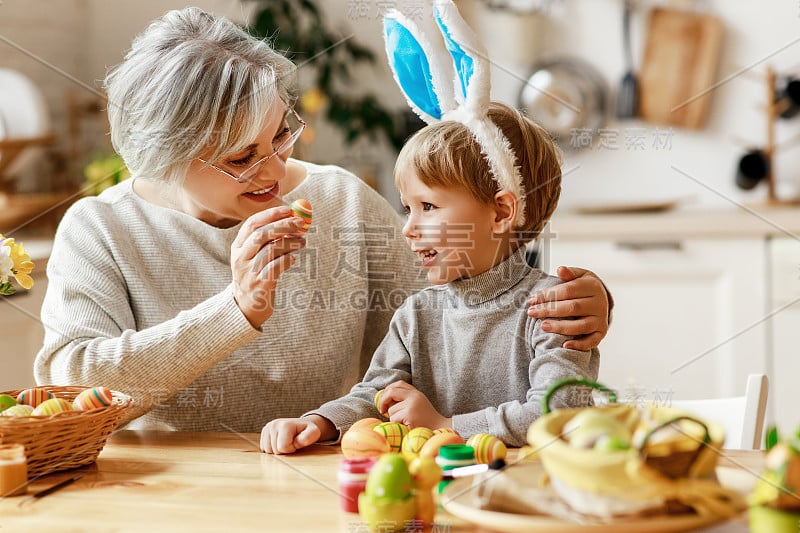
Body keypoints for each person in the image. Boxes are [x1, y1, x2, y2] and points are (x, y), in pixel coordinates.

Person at [34, 7, 610, 433]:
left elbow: (456, 316)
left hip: (315, 478)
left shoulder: (340, 201)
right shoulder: (100, 229)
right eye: (241, 157)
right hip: (165, 496)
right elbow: (71, 380)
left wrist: (584, 303)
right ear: (167, 157)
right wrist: (234, 311)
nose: (273, 169)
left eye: (280, 134)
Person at [261, 102, 599, 452]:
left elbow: (559, 414)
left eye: (428, 207)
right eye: (408, 208)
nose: (408, 228)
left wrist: (445, 426)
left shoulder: (553, 309)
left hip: (525, 492)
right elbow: (376, 396)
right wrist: (320, 423)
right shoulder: (416, 314)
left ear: (501, 212)